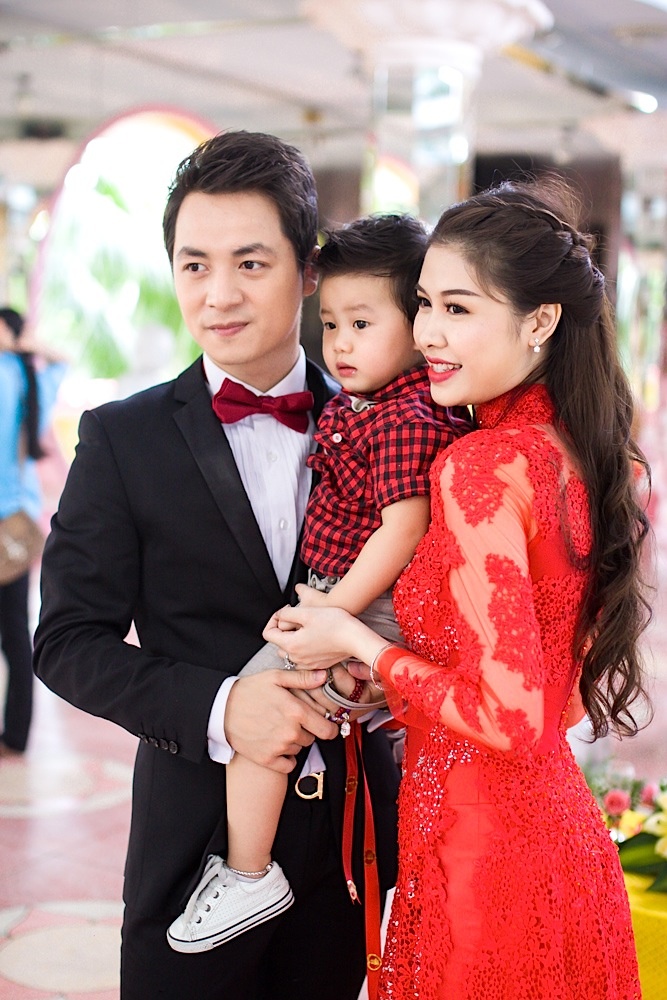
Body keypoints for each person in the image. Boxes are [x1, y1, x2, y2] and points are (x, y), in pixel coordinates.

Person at [33, 131, 402, 1000]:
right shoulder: (122, 439)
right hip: (192, 847)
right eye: (194, 265)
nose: (218, 294)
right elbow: (68, 642)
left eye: (250, 263)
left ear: (307, 271)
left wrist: (393, 678)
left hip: (350, 843)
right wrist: (225, 707)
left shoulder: (391, 424)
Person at [264, 177, 651, 999]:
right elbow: (557, 702)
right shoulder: (576, 452)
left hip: (483, 858)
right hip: (557, 839)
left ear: (539, 321)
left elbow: (509, 717)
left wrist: (357, 641)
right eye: (423, 304)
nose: (428, 333)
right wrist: (408, 681)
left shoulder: (480, 466)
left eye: (458, 309)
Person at [166, 214, 471, 955]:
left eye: (361, 324)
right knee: (261, 709)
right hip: (340, 602)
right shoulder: (357, 407)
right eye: (331, 323)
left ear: (419, 325)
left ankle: (247, 872)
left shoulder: (404, 419)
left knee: (265, 699)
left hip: (363, 606)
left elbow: (404, 527)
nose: (339, 343)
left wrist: (336, 614)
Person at [0, 307, 66, 757]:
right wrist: (26, 346)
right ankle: (17, 734)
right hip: (19, 522)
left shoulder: (11, 374)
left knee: (13, 633)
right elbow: (62, 361)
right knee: (15, 633)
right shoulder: (31, 377)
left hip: (9, 522)